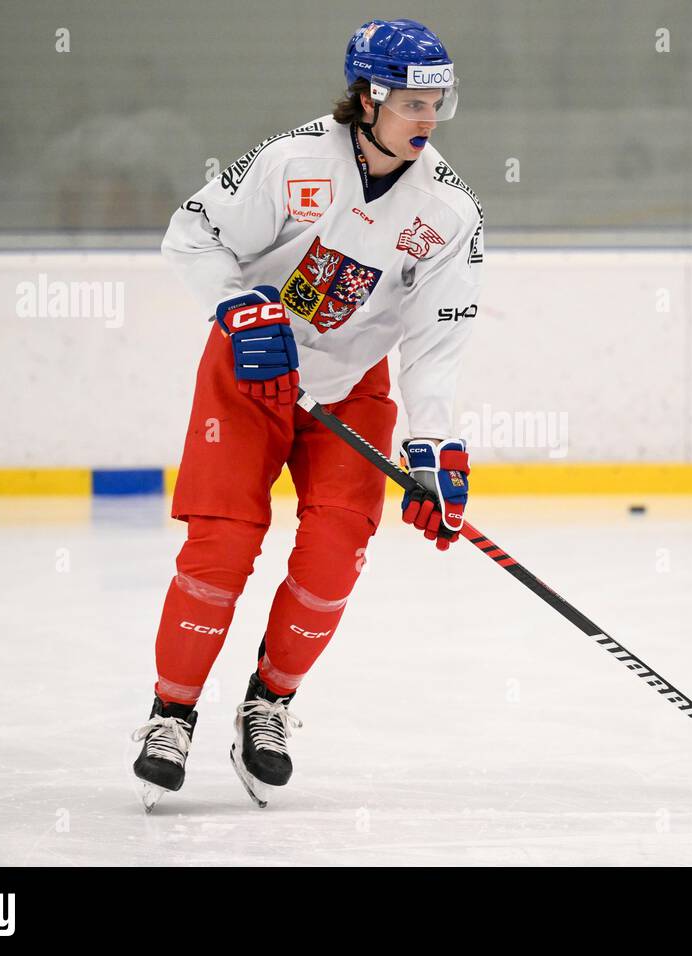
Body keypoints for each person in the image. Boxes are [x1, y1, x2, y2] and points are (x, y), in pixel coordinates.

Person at [130, 18, 483, 810]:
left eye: (439, 102)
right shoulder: (293, 165)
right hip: (249, 373)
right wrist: (236, 308)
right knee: (223, 542)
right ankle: (171, 714)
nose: (427, 118)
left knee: (334, 551)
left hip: (352, 385)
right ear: (367, 96)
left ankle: (269, 704)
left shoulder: (450, 214)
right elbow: (191, 240)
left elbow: (436, 342)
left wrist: (433, 450)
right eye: (411, 102)